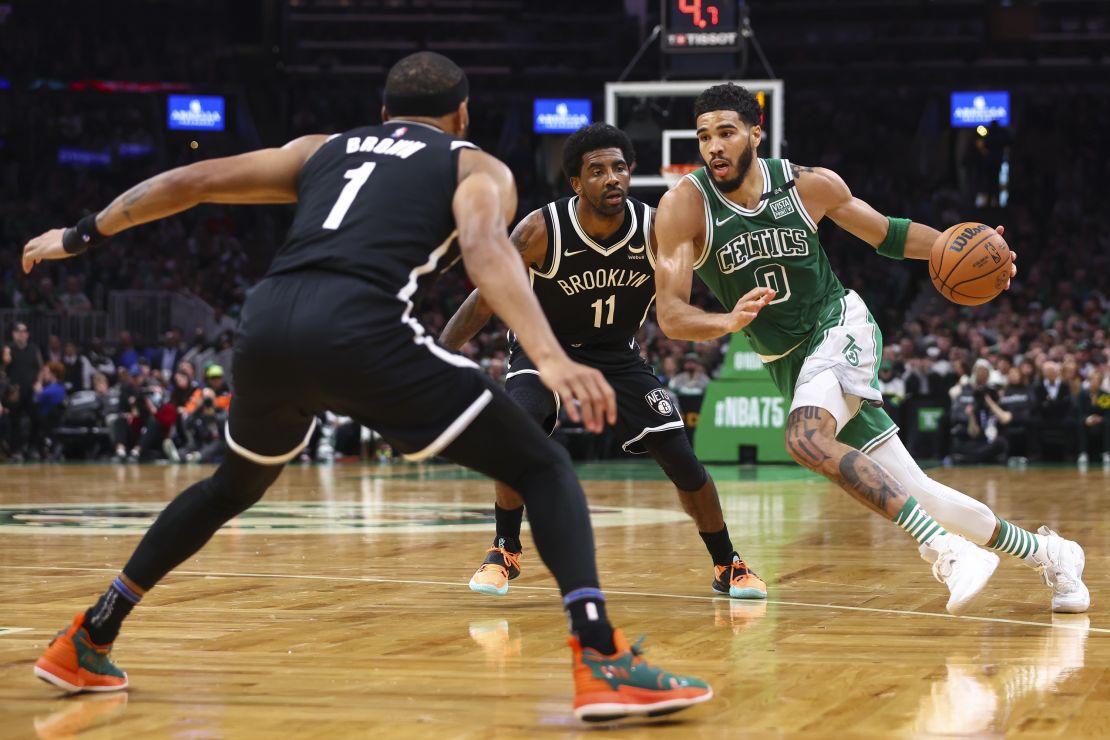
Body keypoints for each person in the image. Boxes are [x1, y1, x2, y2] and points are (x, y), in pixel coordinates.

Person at [22, 52, 711, 721]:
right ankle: (601, 661)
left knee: (227, 489)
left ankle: (89, 636)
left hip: (264, 327)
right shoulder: (473, 163)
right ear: (462, 115)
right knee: (542, 464)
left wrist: (80, 236)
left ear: (383, 114)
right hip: (363, 329)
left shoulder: (323, 148)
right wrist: (548, 356)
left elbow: (191, 180)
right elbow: (485, 249)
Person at [652, 82, 1087, 616]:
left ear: (754, 133)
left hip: (840, 325)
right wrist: (727, 320)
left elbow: (891, 235)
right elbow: (671, 316)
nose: (714, 146)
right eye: (704, 137)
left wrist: (971, 246)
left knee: (805, 438)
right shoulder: (683, 207)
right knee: (921, 494)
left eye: (726, 132)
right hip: (789, 363)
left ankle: (946, 552)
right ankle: (1053, 553)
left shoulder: (807, 186)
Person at [440, 122, 763, 601]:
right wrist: (437, 354)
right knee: (516, 431)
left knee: (683, 460)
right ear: (576, 183)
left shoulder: (655, 228)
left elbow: (697, 285)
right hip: (544, 349)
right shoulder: (539, 230)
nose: (612, 178)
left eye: (619, 168)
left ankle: (727, 563)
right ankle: (504, 549)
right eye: (597, 171)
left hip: (618, 355)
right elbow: (486, 299)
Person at [3, 322, 43, 461]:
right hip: (14, 391)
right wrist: (5, 360)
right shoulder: (8, 348)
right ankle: (16, 451)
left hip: (30, 390)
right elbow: (3, 369)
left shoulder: (33, 349)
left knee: (36, 419)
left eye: (24, 331)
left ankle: (32, 447)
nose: (22, 334)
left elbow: (40, 368)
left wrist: (39, 383)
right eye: (19, 331)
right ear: (13, 334)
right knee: (15, 422)